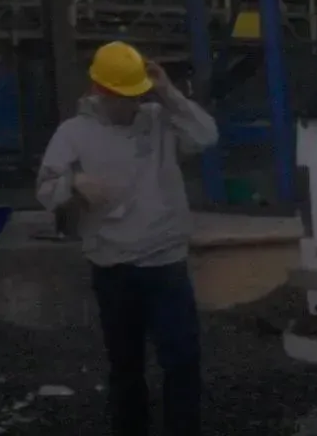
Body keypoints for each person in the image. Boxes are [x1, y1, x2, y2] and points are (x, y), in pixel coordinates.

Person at [36, 40, 219, 435]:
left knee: (183, 361)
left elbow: (206, 136)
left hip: (165, 262)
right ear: (101, 92)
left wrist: (168, 92)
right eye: (123, 97)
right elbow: (46, 189)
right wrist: (74, 181)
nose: (132, 105)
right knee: (125, 366)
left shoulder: (158, 120)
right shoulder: (74, 133)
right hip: (112, 265)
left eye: (137, 96)